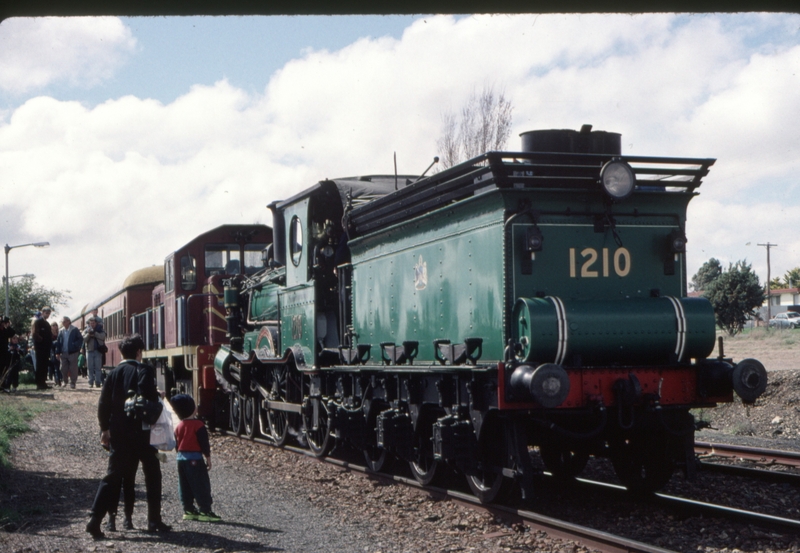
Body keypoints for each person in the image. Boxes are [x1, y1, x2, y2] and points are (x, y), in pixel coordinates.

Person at [86, 334, 170, 538]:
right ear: (139, 352)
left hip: (118, 432)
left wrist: (104, 429)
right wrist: (158, 396)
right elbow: (146, 396)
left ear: (122, 353)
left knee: (113, 475)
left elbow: (103, 403)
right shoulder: (143, 369)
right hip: (141, 433)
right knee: (152, 472)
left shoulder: (114, 373)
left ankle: (95, 519)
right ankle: (153, 520)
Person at [170, 394, 221, 522]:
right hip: (195, 459)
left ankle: (188, 510)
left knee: (185, 485)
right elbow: (204, 443)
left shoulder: (179, 426)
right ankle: (205, 510)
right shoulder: (198, 425)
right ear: (193, 409)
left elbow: (176, 444)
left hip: (181, 459)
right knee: (201, 484)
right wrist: (208, 457)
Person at [30, 306, 53, 389]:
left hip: (46, 348)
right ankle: (39, 384)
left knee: (44, 365)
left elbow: (50, 335)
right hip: (40, 348)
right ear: (42, 313)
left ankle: (43, 383)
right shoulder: (38, 322)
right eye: (46, 313)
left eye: (49, 313)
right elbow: (34, 334)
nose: (47, 315)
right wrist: (42, 341)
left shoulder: (47, 324)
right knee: (39, 365)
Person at [57, 316, 83, 388]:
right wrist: (57, 352)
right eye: (62, 321)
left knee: (73, 368)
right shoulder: (61, 331)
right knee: (63, 368)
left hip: (73, 352)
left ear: (69, 321)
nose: (63, 323)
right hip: (63, 352)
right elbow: (58, 342)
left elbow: (80, 339)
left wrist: (75, 345)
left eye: (64, 321)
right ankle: (65, 381)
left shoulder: (74, 330)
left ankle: (73, 382)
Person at [82, 316, 106, 388]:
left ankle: (98, 382)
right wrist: (89, 334)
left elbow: (103, 337)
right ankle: (90, 382)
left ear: (96, 323)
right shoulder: (86, 330)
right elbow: (83, 339)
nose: (92, 324)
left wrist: (95, 334)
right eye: (91, 323)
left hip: (98, 351)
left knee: (98, 367)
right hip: (89, 351)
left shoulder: (100, 329)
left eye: (93, 323)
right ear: (89, 323)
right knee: (90, 367)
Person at [1, 317, 16, 392]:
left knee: (4, 369)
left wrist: (8, 326)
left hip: (4, 352)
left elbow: (12, 333)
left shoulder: (5, 330)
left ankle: (3, 386)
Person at [48, 322, 62, 387]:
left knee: (58, 367)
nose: (55, 326)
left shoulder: (59, 334)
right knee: (54, 367)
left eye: (56, 325)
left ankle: (58, 380)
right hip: (52, 352)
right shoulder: (49, 335)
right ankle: (56, 380)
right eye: (53, 325)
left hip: (59, 352)